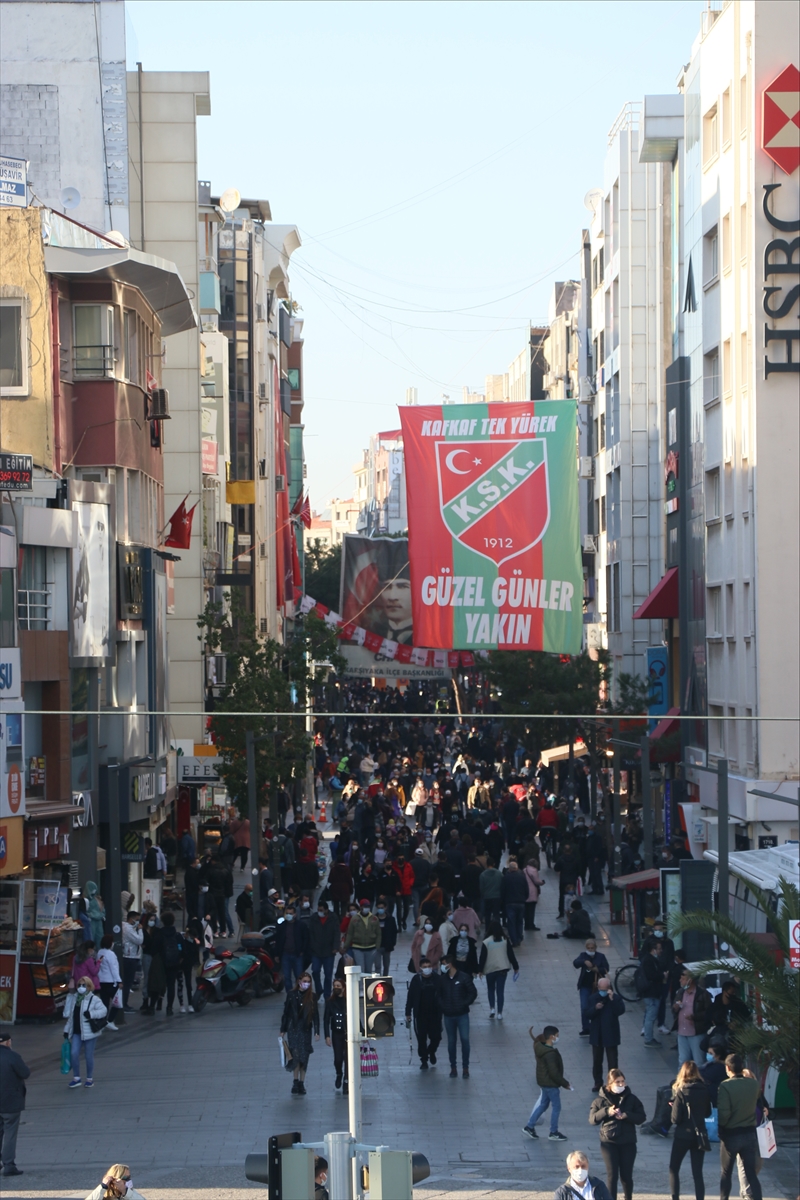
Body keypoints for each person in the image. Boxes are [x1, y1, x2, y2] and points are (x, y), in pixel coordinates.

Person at [588, 1067, 646, 1200]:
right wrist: (606, 1111)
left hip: (628, 1142)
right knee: (612, 1176)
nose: (621, 1085)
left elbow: (641, 1117)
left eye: (623, 1082)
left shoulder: (631, 1099)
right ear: (610, 1084)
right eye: (617, 1082)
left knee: (626, 1176)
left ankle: (628, 1197)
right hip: (609, 1143)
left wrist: (627, 1115)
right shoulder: (600, 1100)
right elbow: (592, 1119)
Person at [717, 1053, 762, 1200]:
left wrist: (722, 1129)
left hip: (731, 1134)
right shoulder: (754, 1084)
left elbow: (724, 1113)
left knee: (726, 1173)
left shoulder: (725, 1086)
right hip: (749, 1133)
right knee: (751, 1174)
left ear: (728, 1068)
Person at [669, 1059, 712, 1200]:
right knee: (697, 1172)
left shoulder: (681, 1091)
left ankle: (675, 1197)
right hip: (699, 1135)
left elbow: (675, 1119)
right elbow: (708, 1113)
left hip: (682, 1136)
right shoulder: (704, 1089)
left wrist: (674, 1106)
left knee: (674, 1169)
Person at [522, 1025, 571, 1141]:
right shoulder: (550, 1054)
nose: (558, 1038)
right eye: (557, 1036)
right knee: (556, 1107)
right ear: (551, 1037)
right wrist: (565, 1083)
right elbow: (554, 1072)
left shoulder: (540, 1048)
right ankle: (553, 1132)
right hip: (550, 1084)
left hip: (543, 1082)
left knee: (543, 1104)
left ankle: (530, 1126)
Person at [63, 975, 108, 1088]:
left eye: (84, 985)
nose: (81, 987)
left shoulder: (94, 999)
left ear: (89, 986)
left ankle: (89, 1078)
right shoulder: (75, 999)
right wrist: (66, 1030)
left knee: (89, 1056)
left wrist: (92, 1014)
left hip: (90, 1033)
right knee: (74, 1054)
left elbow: (103, 1011)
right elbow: (71, 1017)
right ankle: (76, 1077)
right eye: (79, 985)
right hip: (77, 1032)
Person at [280, 971, 320, 1095]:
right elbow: (286, 1013)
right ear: (299, 982)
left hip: (306, 1029)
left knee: (304, 1056)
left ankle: (302, 1082)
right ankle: (295, 1081)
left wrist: (317, 1031)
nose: (306, 984)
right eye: (304, 981)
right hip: (294, 1028)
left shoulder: (312, 996)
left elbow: (315, 1015)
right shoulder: (291, 994)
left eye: (308, 982)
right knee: (295, 1054)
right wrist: (283, 1029)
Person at [439, 953, 477, 1079]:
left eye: (444, 964)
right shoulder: (442, 980)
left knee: (465, 1040)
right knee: (451, 1042)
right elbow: (438, 995)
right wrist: (443, 1006)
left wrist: (464, 1003)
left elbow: (472, 992)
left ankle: (465, 1067)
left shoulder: (464, 977)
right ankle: (453, 1067)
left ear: (449, 964)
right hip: (448, 1015)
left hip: (462, 1015)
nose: (442, 967)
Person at [586, 978, 625, 1092]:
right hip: (597, 1035)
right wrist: (595, 1008)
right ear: (598, 988)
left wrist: (612, 1000)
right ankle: (598, 1082)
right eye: (601, 989)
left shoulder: (616, 998)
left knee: (612, 1061)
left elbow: (620, 1011)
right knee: (597, 1061)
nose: (603, 991)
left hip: (611, 1034)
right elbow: (587, 1014)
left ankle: (613, 1082)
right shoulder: (593, 998)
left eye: (605, 989)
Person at [0, 1032, 29, 1177]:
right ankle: (9, 1165)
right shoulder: (13, 1057)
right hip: (10, 1103)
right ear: (7, 1042)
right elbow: (25, 1073)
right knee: (10, 1134)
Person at [406, 956, 443, 1069]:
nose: (427, 969)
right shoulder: (416, 980)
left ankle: (431, 1051)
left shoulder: (437, 979)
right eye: (425, 967)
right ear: (421, 968)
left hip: (435, 1014)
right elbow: (411, 997)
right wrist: (408, 1012)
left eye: (429, 966)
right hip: (420, 1014)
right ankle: (424, 1059)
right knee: (421, 1038)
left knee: (436, 1037)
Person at [478, 920, 519, 1020]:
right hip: (502, 969)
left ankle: (492, 1008)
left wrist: (480, 970)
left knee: (491, 989)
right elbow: (511, 954)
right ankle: (500, 1013)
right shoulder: (505, 940)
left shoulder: (486, 942)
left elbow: (482, 957)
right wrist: (515, 966)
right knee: (500, 991)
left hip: (490, 969)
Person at [672, 969, 713, 1065]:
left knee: (699, 1061)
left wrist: (695, 1016)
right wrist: (675, 1007)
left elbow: (709, 1012)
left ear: (690, 980)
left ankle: (700, 1079)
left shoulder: (702, 994)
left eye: (683, 978)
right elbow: (674, 1007)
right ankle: (682, 1079)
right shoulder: (681, 992)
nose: (680, 980)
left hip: (696, 1032)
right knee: (683, 1061)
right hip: (682, 1032)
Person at [574, 941, 609, 1036]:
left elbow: (606, 968)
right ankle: (586, 1027)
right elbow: (576, 963)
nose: (590, 950)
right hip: (585, 986)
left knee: (597, 1006)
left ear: (595, 948)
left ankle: (597, 1026)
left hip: (597, 986)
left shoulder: (601, 956)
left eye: (592, 948)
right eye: (588, 948)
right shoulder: (583, 955)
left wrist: (597, 969)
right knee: (584, 1006)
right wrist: (584, 961)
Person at [309, 902, 339, 1000]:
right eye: (318, 910)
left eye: (321, 910)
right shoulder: (314, 918)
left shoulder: (333, 918)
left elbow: (336, 933)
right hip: (316, 951)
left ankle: (327, 995)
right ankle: (319, 989)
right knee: (315, 971)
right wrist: (312, 946)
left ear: (326, 910)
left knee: (328, 974)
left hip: (329, 951)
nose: (319, 912)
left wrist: (335, 947)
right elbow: (311, 933)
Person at [275, 905, 309, 991]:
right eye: (287, 913)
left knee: (299, 976)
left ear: (295, 914)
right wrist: (277, 954)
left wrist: (303, 951)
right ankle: (290, 996)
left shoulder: (301, 925)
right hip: (285, 954)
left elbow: (306, 939)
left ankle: (299, 994)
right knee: (287, 977)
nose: (288, 915)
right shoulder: (282, 926)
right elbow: (278, 940)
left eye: (290, 913)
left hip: (297, 955)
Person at [638, 942, 666, 1047]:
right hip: (652, 992)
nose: (660, 951)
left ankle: (649, 1037)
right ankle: (648, 1038)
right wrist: (662, 975)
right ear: (653, 950)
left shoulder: (650, 959)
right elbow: (651, 975)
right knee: (651, 1016)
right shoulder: (649, 960)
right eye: (658, 949)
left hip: (652, 992)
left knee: (650, 1015)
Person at [342, 898, 381, 972]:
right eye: (365, 906)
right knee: (360, 969)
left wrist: (377, 946)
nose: (366, 908)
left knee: (368, 970)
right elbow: (350, 933)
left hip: (371, 947)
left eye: (368, 906)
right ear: (361, 907)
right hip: (357, 948)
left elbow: (378, 933)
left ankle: (367, 983)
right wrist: (345, 946)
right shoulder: (354, 919)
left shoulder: (374, 918)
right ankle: (360, 984)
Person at [324, 978, 348, 1091]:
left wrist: (362, 1032)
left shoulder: (349, 1000)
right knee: (338, 1058)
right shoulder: (330, 1002)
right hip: (336, 1033)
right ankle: (339, 1073)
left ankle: (347, 1080)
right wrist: (327, 1036)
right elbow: (326, 1020)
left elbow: (356, 1017)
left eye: (338, 986)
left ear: (343, 987)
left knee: (348, 1058)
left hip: (348, 1033)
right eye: (335, 986)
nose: (336, 988)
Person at [96, 934, 122, 1030]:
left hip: (102, 981)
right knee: (117, 1003)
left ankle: (102, 1022)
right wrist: (119, 981)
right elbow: (114, 969)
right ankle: (109, 1021)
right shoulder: (111, 954)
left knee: (104, 1003)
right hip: (111, 982)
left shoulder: (99, 952)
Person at [501, 860, 528, 947]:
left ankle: (514, 940)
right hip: (521, 903)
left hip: (510, 903)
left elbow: (503, 891)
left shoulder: (506, 878)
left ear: (510, 869)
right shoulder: (522, 877)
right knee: (520, 921)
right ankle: (519, 937)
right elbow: (527, 890)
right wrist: (524, 899)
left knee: (511, 922)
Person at [121, 910, 143, 1011]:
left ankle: (123, 1002)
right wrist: (141, 930)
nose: (138, 922)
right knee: (127, 982)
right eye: (137, 920)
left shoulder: (127, 927)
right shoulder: (128, 929)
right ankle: (124, 1004)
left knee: (127, 982)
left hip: (130, 956)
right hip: (129, 957)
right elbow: (139, 940)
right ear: (131, 919)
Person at [375, 899, 398, 975]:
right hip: (377, 946)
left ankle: (385, 979)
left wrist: (392, 943)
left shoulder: (391, 919)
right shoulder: (373, 919)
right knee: (377, 965)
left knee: (386, 965)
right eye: (379, 908)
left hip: (387, 946)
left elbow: (394, 932)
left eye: (382, 908)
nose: (380, 909)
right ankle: (377, 978)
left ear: (385, 908)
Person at [522, 856, 543, 930]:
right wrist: (542, 882)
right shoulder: (534, 871)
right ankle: (530, 925)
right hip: (532, 891)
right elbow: (537, 881)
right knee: (531, 910)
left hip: (525, 891)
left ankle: (526, 924)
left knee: (526, 909)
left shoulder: (524, 870)